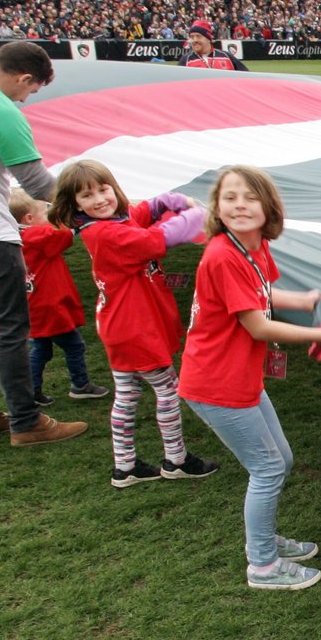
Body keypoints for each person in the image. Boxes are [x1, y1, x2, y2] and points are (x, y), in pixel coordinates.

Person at [178, 165, 321, 591]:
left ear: (268, 206)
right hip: (216, 384)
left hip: (238, 377)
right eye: (230, 196)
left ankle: (264, 537)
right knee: (268, 468)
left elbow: (261, 292)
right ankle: (263, 565)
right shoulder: (221, 254)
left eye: (249, 197)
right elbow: (258, 325)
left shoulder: (253, 246)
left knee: (281, 460)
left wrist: (304, 298)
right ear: (217, 206)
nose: (239, 204)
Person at [49, 159, 217, 488]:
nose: (99, 199)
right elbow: (156, 239)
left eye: (103, 189)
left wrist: (162, 202)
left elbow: (137, 218)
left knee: (127, 394)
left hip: (119, 326)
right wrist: (194, 214)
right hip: (135, 329)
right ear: (74, 205)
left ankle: (125, 466)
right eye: (87, 195)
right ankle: (177, 459)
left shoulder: (108, 225)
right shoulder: (106, 234)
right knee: (168, 389)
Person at [0, 41, 87, 447]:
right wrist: (86, 210)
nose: (26, 98)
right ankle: (25, 422)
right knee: (9, 330)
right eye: (30, 91)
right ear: (24, 77)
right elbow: (36, 183)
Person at [10, 190, 107, 406]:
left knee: (41, 348)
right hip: (51, 306)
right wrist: (69, 219)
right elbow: (63, 235)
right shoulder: (37, 237)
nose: (50, 216)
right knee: (74, 345)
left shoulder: (15, 237)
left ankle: (31, 390)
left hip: (34, 304)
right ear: (29, 219)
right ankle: (80, 384)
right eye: (46, 212)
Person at [177, 21, 249, 71]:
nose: (194, 40)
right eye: (192, 37)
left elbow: (245, 78)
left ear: (208, 39)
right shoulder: (186, 60)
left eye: (198, 36)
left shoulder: (226, 56)